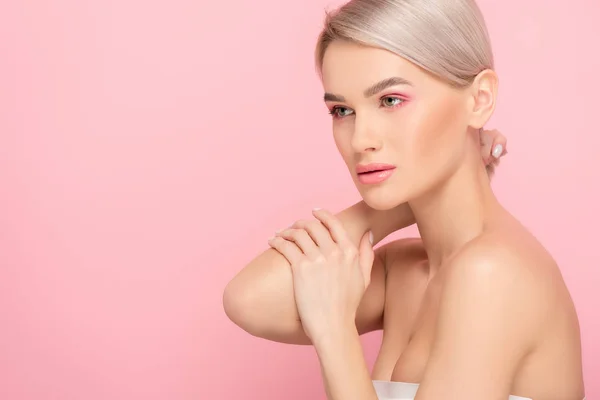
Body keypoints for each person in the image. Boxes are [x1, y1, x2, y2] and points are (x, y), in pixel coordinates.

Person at [222, 0, 585, 399]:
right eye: (342, 110)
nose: (361, 140)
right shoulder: (404, 272)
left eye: (390, 100)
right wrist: (405, 203)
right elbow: (248, 300)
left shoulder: (493, 272)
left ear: (479, 99)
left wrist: (335, 330)